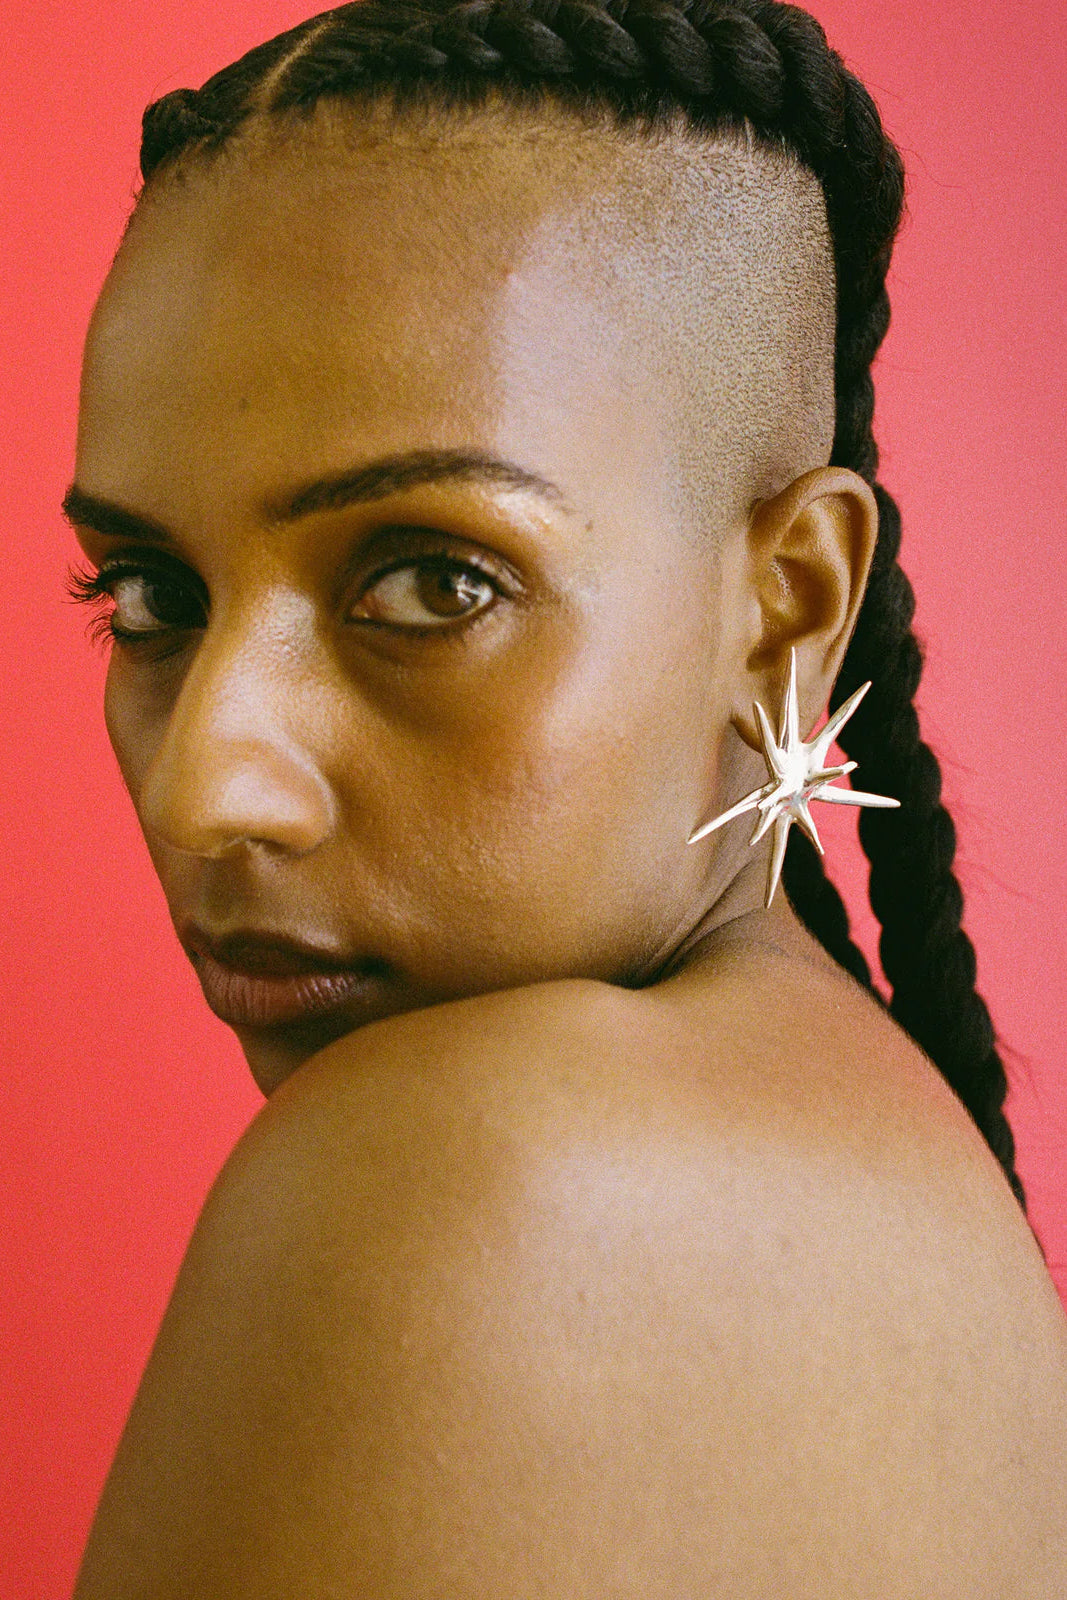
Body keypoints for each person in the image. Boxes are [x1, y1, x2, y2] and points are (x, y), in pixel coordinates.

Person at [64, 0, 1066, 1592]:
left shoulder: (457, 1180)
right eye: (147, 595)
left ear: (788, 607)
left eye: (434, 579)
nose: (208, 787)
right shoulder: (904, 1189)